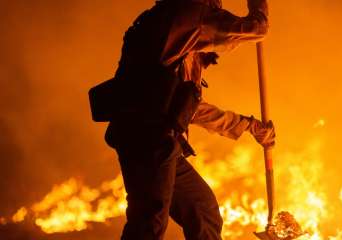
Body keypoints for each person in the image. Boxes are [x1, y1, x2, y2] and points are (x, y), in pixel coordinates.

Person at [104, 0, 274, 239]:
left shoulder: (178, 34)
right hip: (149, 138)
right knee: (149, 225)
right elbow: (255, 30)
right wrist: (259, 5)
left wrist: (247, 125)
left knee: (203, 211)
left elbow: (187, 107)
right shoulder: (187, 13)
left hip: (161, 141)